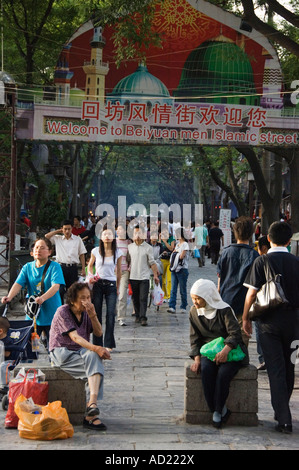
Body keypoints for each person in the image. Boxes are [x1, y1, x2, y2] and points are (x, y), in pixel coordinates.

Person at [242, 221, 299, 434]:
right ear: (288, 240)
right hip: (294, 325)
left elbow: (251, 294)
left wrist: (246, 317)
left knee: (275, 368)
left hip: (268, 325)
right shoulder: (296, 262)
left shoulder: (261, 261)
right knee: (289, 366)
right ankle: (282, 409)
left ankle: (283, 418)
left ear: (268, 237)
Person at [49, 282, 110, 431]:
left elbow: (98, 333)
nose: (86, 301)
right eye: (83, 298)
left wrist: (93, 315)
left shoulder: (86, 313)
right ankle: (91, 416)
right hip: (62, 352)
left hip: (81, 351)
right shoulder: (62, 312)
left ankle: (92, 405)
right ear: (72, 300)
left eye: (88, 297)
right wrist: (97, 348)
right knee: (95, 365)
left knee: (94, 358)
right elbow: (75, 337)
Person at [189, 279, 248, 428]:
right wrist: (197, 359)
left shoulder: (224, 310)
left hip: (231, 350)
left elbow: (235, 334)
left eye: (198, 299)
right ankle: (219, 409)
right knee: (206, 370)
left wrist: (225, 350)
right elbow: (195, 338)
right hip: (210, 352)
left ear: (208, 297)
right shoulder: (194, 312)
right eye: (193, 299)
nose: (195, 302)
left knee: (223, 373)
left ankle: (217, 411)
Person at [1, 238, 64, 348]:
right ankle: (33, 360)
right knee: (30, 346)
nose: (38, 250)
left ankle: (51, 354)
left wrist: (43, 298)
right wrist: (9, 297)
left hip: (51, 312)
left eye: (42, 248)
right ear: (32, 252)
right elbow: (18, 284)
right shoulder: (27, 267)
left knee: (53, 347)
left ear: (50, 252)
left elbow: (55, 287)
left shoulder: (55, 267)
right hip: (34, 313)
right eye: (36, 247)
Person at [217, 216, 259, 345]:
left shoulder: (225, 253)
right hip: (243, 307)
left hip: (225, 303)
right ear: (252, 233)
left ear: (234, 232)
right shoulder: (254, 256)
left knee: (223, 341)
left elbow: (219, 282)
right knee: (240, 344)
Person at [88, 228, 122, 350]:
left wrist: (118, 287)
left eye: (109, 234)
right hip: (98, 284)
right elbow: (90, 265)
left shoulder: (117, 252)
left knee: (110, 314)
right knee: (96, 313)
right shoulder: (96, 251)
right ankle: (97, 343)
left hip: (111, 284)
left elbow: (119, 271)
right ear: (101, 237)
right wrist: (91, 277)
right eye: (104, 234)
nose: (107, 236)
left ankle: (109, 343)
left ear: (113, 237)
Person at [46, 220, 87, 303]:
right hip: (60, 267)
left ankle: (71, 310)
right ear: (62, 229)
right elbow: (46, 236)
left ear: (72, 229)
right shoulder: (58, 238)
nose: (67, 231)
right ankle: (61, 309)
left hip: (72, 267)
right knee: (60, 290)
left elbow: (82, 254)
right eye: (65, 229)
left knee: (72, 292)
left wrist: (83, 268)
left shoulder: (77, 239)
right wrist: (58, 231)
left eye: (69, 229)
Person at [127, 226, 160, 326]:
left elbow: (152, 262)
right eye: (135, 233)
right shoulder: (129, 247)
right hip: (133, 276)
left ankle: (143, 317)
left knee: (143, 297)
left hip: (144, 276)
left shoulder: (148, 247)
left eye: (139, 233)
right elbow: (127, 261)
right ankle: (137, 315)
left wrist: (155, 275)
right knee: (135, 298)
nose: (137, 236)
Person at [167, 227, 189, 314]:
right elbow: (174, 254)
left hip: (182, 269)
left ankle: (183, 306)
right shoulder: (177, 244)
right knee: (173, 288)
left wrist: (175, 254)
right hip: (174, 269)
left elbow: (181, 256)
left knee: (182, 289)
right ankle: (172, 306)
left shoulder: (185, 244)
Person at [116, 224, 132, 326]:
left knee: (122, 295)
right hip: (113, 272)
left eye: (122, 230)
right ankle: (111, 314)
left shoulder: (129, 243)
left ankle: (121, 317)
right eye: (118, 230)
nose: (120, 231)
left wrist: (129, 268)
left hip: (124, 272)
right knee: (112, 294)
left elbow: (131, 258)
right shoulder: (113, 242)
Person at [159, 227, 175, 301]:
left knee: (169, 279)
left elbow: (172, 248)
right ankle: (164, 295)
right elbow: (158, 248)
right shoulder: (160, 239)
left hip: (170, 260)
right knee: (162, 279)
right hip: (162, 260)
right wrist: (160, 239)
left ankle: (169, 296)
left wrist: (165, 242)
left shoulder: (171, 238)